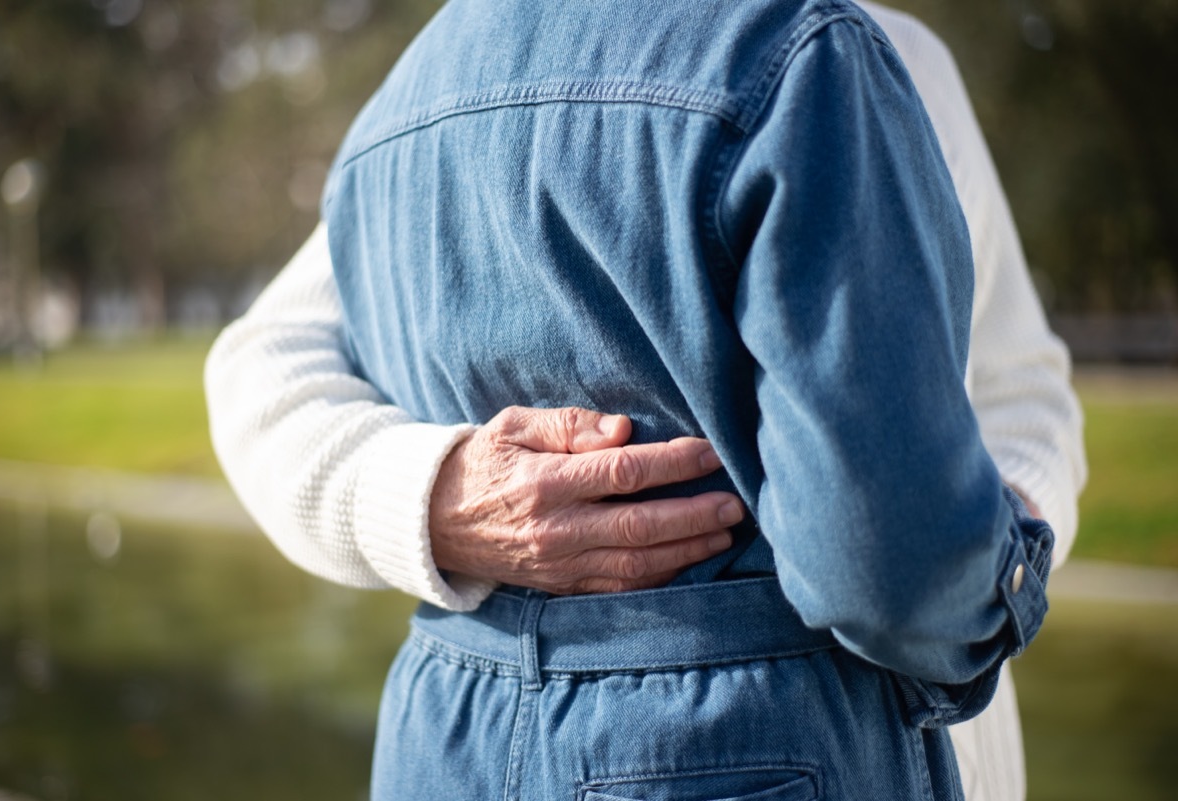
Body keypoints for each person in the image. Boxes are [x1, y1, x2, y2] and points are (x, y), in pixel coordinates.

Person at [207, 1, 1084, 799]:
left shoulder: (399, 104)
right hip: (748, 737)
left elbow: (1017, 388)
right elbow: (886, 563)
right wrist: (1000, 578)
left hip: (440, 738)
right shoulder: (809, 57)